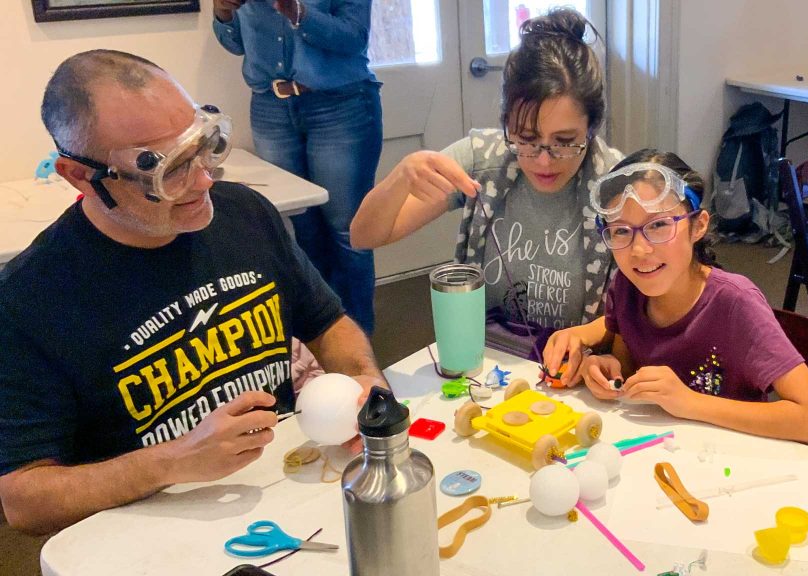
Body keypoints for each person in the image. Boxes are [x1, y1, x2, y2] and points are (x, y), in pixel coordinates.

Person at [0, 50, 387, 535]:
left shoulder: (244, 213)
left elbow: (327, 323)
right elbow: (24, 501)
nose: (204, 179)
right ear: (81, 176)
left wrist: (366, 384)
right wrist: (173, 461)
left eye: (204, 147)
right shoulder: (27, 300)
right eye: (168, 170)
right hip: (151, 529)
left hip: (281, 489)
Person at [351, 8, 622, 332]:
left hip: (576, 370)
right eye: (526, 139)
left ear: (592, 129)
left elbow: (652, 311)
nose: (544, 161)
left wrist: (586, 337)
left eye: (564, 142)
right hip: (491, 363)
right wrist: (400, 177)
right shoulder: (485, 161)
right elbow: (363, 236)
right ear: (506, 124)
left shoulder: (615, 183)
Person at [541, 150, 808, 446]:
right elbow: (627, 369)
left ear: (698, 225)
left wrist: (690, 402)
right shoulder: (627, 288)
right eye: (620, 231)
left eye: (658, 225)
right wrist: (605, 370)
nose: (639, 250)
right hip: (663, 453)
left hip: (730, 463)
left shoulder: (736, 304)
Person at [212, 0, 382, 334]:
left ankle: (361, 350)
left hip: (340, 106)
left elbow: (354, 37)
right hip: (269, 107)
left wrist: (295, 11)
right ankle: (322, 342)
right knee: (300, 230)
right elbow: (235, 43)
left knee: (349, 232)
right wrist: (222, 12)